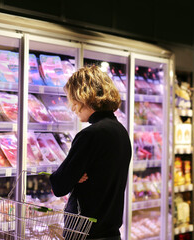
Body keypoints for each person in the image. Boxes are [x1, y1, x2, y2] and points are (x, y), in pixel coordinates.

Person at [49, 65, 132, 240]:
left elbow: (59, 185)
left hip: (85, 234)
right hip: (111, 232)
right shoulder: (121, 132)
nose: (72, 107)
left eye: (72, 99)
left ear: (83, 96)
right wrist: (74, 176)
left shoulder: (89, 135)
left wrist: (71, 177)